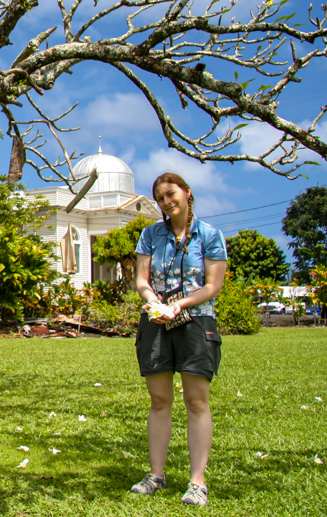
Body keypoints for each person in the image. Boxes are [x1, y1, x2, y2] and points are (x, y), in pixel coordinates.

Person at [131, 173, 227, 507]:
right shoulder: (150, 235)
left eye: (171, 194)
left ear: (187, 193)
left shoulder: (210, 235)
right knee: (159, 400)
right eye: (160, 198)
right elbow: (141, 279)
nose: (166, 201)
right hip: (156, 321)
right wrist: (154, 301)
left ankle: (197, 482)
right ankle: (156, 475)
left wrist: (179, 304)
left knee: (196, 401)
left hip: (196, 322)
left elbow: (213, 285)